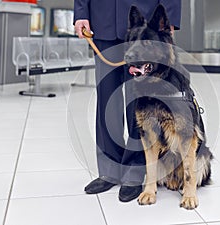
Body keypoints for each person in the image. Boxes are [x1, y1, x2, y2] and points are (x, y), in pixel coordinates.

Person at [74, 0, 181, 202]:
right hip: (102, 22)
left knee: (140, 102)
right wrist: (81, 13)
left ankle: (135, 171)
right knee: (106, 100)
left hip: (144, 22)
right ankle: (109, 170)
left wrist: (170, 18)